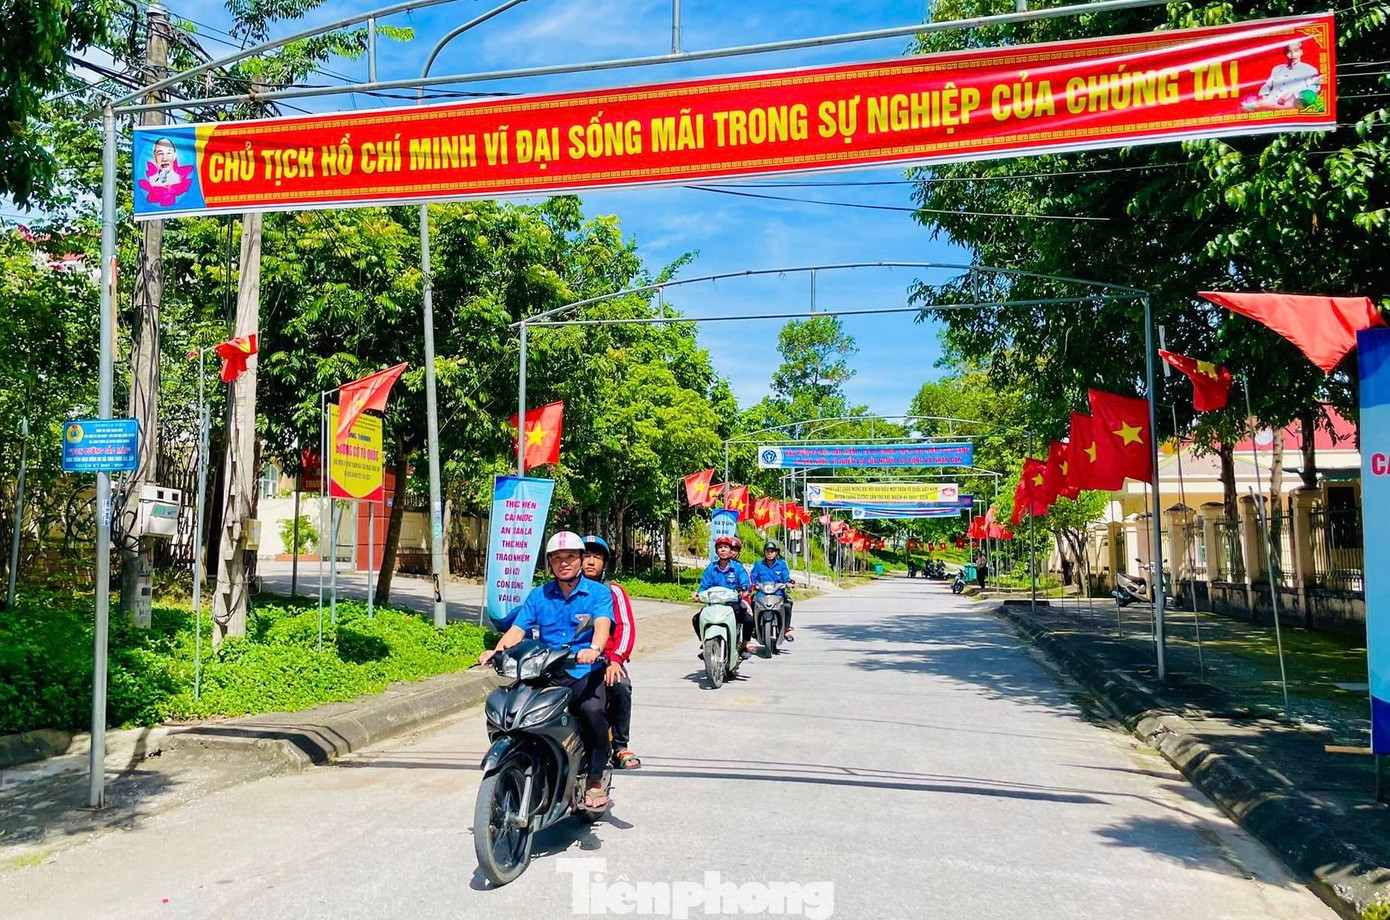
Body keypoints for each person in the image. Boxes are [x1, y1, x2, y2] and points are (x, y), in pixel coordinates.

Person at [480, 531, 615, 808]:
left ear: (580, 560)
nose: (563, 563)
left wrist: (595, 649)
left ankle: (595, 779)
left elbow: (602, 625)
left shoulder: (598, 593)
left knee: (592, 711)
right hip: (545, 672)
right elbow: (518, 630)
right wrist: (497, 651)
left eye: (569, 557)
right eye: (557, 558)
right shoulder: (539, 595)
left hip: (582, 672)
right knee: (514, 710)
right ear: (549, 563)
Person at [581, 534, 641, 771]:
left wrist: (615, 659)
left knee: (621, 686)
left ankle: (619, 746)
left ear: (605, 563)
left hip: (605, 659)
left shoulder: (613, 591)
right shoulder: (565, 590)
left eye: (597, 556)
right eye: (586, 555)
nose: (591, 561)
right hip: (568, 660)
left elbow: (625, 627)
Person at [694, 535, 756, 652]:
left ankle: (745, 643)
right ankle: (705, 642)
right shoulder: (711, 568)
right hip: (714, 604)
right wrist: (698, 594)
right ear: (716, 551)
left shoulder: (738, 568)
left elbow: (745, 584)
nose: (723, 550)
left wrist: (744, 591)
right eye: (720, 547)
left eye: (726, 547)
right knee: (696, 619)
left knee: (748, 620)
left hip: (732, 604)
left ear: (730, 550)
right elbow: (703, 586)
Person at [1244, 40, 1322, 111]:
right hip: (1270, 102)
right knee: (1246, 106)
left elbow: (1312, 91)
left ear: (1301, 51)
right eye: (1289, 52)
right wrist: (1264, 95)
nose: (1292, 55)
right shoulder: (1277, 69)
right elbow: (1268, 85)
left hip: (1290, 106)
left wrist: (1289, 94)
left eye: (1296, 51)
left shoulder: (1310, 70)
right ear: (1285, 53)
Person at [749, 539, 795, 642]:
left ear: (776, 553)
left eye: (772, 551)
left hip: (778, 594)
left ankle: (785, 629)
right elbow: (753, 577)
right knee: (752, 602)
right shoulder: (758, 565)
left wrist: (788, 583)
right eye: (767, 551)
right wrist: (752, 584)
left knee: (788, 604)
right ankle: (754, 627)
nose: (769, 553)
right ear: (764, 552)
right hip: (761, 594)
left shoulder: (782, 564)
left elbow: (786, 577)